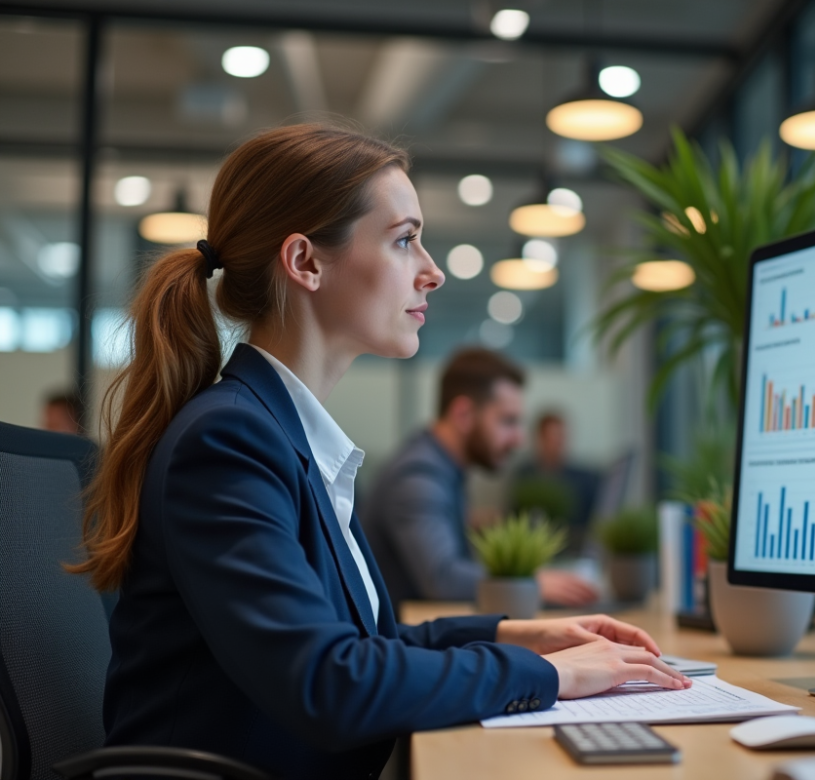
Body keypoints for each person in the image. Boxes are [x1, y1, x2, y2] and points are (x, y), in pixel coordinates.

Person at [70, 124, 688, 780]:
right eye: (403, 239)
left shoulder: (279, 434)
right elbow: (329, 682)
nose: (432, 270)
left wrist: (518, 634)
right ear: (306, 262)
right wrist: (551, 676)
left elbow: (370, 642)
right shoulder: (228, 442)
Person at [362, 349, 599, 607]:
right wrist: (529, 582)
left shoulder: (445, 469)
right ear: (463, 415)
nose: (519, 439)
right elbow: (442, 578)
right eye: (508, 421)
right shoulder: (419, 475)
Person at [511, 411, 601, 556]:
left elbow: (595, 520)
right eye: (553, 436)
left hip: (574, 549)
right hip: (535, 551)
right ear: (540, 439)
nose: (559, 442)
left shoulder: (585, 478)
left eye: (562, 436)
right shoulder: (525, 476)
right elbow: (515, 518)